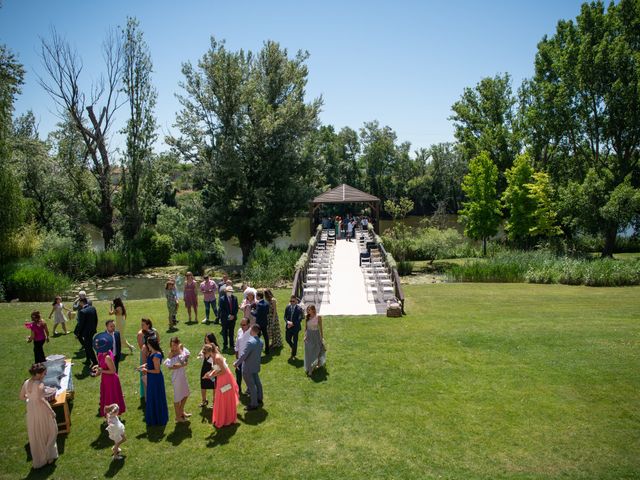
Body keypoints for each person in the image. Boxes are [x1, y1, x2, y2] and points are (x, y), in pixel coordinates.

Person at [19, 363, 58, 469]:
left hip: (31, 409)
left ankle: (41, 458)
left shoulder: (27, 382)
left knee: (36, 432)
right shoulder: (39, 384)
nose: (45, 375)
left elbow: (22, 397)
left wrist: (31, 398)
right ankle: (49, 456)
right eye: (44, 373)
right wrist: (51, 411)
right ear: (39, 374)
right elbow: (42, 400)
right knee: (51, 430)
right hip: (41, 409)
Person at [204, 343, 239, 428]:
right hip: (221, 379)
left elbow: (223, 371)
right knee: (222, 398)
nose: (204, 355)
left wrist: (212, 376)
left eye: (204, 353)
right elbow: (215, 368)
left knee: (223, 398)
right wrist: (209, 374)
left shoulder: (217, 358)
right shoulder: (213, 356)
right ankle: (224, 418)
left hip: (226, 380)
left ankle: (226, 419)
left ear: (209, 352)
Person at [93, 333, 126, 418]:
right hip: (105, 379)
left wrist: (101, 370)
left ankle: (113, 415)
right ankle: (110, 415)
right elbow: (102, 365)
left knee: (111, 396)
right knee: (107, 396)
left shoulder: (107, 356)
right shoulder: (100, 354)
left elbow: (113, 371)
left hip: (111, 379)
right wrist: (98, 367)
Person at [234, 325, 263, 411]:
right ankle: (259, 397)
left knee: (251, 385)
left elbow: (244, 355)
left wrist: (236, 363)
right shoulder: (261, 342)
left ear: (252, 331)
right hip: (256, 365)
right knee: (257, 382)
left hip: (248, 368)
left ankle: (254, 404)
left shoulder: (250, 342)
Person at [140, 338, 169, 426]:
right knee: (151, 396)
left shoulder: (156, 355)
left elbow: (157, 370)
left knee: (156, 396)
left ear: (151, 344)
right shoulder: (151, 352)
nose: (147, 346)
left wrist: (146, 370)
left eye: (148, 344)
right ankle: (153, 416)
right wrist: (143, 366)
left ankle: (158, 418)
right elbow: (150, 363)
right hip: (152, 378)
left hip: (156, 379)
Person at [164, 337, 191, 422]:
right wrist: (176, 366)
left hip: (182, 375)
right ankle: (178, 417)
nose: (173, 347)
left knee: (186, 393)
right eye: (172, 345)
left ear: (178, 343)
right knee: (177, 397)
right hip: (176, 378)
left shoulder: (182, 349)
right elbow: (169, 367)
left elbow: (186, 361)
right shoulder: (171, 354)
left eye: (175, 345)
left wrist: (181, 365)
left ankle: (181, 411)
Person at [136, 318, 159, 401]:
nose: (141, 326)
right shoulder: (140, 334)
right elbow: (141, 347)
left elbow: (158, 342)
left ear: (148, 325)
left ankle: (154, 393)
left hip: (154, 355)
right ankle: (147, 396)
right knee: (145, 375)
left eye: (143, 324)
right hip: (145, 356)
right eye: (141, 324)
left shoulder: (154, 331)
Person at [75, 298, 98, 372]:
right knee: (87, 345)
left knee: (88, 347)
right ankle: (88, 359)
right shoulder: (93, 308)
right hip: (92, 330)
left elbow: (80, 324)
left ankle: (95, 362)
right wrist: (94, 328)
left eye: (79, 303)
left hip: (86, 332)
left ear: (82, 302)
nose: (79, 304)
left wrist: (77, 333)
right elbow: (96, 320)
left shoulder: (82, 311)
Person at [304, 304, 326, 376]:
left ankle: (315, 366)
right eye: (307, 310)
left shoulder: (318, 317)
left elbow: (321, 328)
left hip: (316, 336)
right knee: (309, 354)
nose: (308, 311)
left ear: (313, 310)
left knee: (317, 351)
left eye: (309, 310)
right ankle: (311, 368)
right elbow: (306, 328)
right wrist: (305, 336)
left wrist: (322, 338)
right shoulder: (307, 317)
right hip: (309, 337)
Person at [198, 333, 219, 407]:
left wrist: (207, 356)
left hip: (213, 367)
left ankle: (214, 402)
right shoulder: (205, 346)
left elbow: (215, 359)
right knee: (203, 383)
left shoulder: (215, 347)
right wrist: (201, 355)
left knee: (214, 385)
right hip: (205, 367)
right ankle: (204, 400)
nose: (206, 341)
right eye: (206, 339)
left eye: (208, 339)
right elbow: (201, 353)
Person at [219, 286, 238, 351]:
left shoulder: (235, 298)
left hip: (233, 319)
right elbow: (222, 309)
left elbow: (236, 308)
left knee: (231, 332)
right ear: (226, 292)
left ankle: (232, 344)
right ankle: (225, 345)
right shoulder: (222, 299)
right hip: (225, 319)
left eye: (231, 291)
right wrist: (229, 316)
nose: (230, 292)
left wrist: (233, 315)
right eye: (228, 291)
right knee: (224, 332)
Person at [234, 318, 251, 394]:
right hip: (240, 357)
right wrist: (236, 351)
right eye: (241, 324)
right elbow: (237, 342)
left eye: (243, 325)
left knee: (248, 375)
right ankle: (238, 388)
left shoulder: (251, 333)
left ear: (248, 325)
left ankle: (249, 388)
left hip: (248, 358)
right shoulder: (239, 331)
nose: (242, 326)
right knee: (238, 373)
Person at [284, 295, 304, 359]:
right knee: (287, 339)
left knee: (295, 341)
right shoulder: (287, 307)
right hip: (288, 327)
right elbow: (285, 317)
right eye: (291, 301)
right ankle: (293, 347)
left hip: (295, 328)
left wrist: (292, 323)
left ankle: (293, 354)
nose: (291, 302)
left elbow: (300, 319)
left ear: (296, 301)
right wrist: (287, 322)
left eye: (293, 301)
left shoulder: (299, 309)